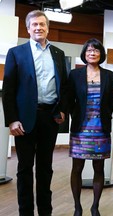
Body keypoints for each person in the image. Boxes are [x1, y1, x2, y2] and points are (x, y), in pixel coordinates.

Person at [2, 10, 68, 216]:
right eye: (34, 25)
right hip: (24, 120)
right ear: (28, 28)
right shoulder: (16, 53)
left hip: (50, 117)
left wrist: (63, 110)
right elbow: (9, 89)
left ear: (47, 27)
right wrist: (12, 120)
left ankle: (45, 212)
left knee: (45, 168)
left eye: (42, 24)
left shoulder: (58, 53)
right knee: (24, 169)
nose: (38, 28)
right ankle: (26, 212)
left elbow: (63, 85)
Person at [68, 38, 113, 216]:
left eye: (95, 50)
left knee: (99, 168)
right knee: (77, 168)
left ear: (101, 54)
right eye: (89, 51)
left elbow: (110, 102)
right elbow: (69, 98)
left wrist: (102, 117)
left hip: (100, 129)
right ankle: (77, 207)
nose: (92, 53)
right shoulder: (75, 75)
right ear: (84, 54)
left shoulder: (109, 75)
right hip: (81, 128)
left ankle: (95, 206)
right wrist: (73, 115)